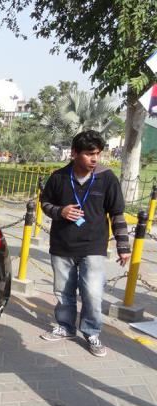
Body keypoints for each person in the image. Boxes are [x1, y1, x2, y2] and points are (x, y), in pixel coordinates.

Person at [39, 130, 131, 358]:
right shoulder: (59, 177)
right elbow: (44, 203)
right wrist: (61, 211)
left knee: (92, 293)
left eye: (97, 154)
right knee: (63, 292)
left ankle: (91, 333)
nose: (95, 159)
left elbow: (117, 213)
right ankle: (66, 327)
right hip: (62, 246)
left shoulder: (107, 178)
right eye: (90, 154)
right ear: (74, 153)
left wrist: (123, 245)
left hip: (93, 247)